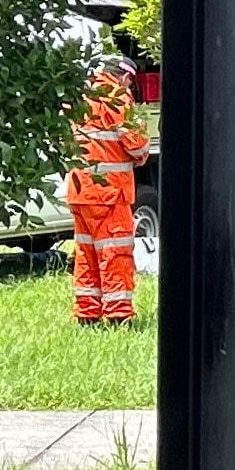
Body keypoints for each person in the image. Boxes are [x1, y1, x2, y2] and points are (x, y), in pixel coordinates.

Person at [66, 58, 148, 326]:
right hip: (110, 193)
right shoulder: (117, 98)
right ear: (124, 77)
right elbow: (136, 146)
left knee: (86, 254)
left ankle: (86, 314)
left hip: (79, 190)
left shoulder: (78, 97)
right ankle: (118, 315)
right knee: (116, 253)